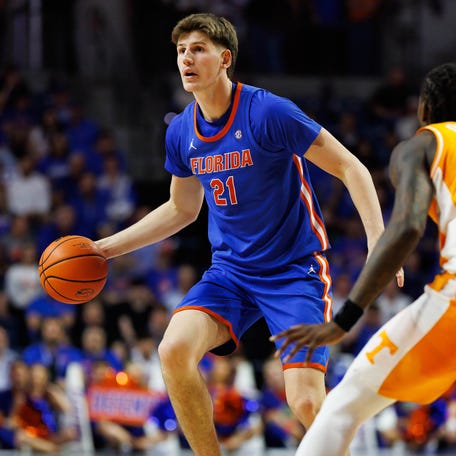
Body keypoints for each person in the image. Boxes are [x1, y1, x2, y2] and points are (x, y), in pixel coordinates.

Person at [95, 13, 398, 456]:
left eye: (197, 48)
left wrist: (378, 240)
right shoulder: (181, 131)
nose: (186, 58)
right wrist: (105, 248)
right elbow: (182, 209)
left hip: (293, 270)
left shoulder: (268, 112)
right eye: (181, 51)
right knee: (173, 349)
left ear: (225, 59)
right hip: (231, 273)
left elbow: (350, 166)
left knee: (308, 402)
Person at [271, 61, 456, 455]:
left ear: (426, 107)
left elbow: (406, 227)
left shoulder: (424, 143)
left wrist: (346, 318)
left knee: (343, 404)